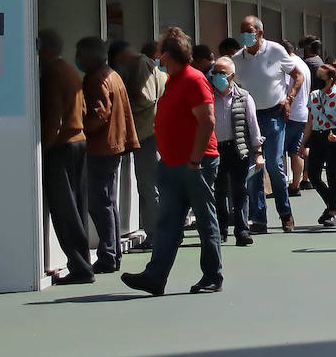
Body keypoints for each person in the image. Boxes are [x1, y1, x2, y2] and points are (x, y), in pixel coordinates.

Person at [122, 27, 222, 295]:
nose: (156, 56)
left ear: (167, 54)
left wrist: (195, 159)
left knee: (204, 220)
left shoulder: (194, 80)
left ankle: (212, 276)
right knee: (167, 222)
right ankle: (155, 276)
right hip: (173, 165)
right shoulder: (172, 80)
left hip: (195, 165)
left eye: (159, 51)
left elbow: (207, 120)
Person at [232, 16, 302, 234]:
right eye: (242, 31)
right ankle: (259, 218)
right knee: (254, 168)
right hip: (248, 117)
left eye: (249, 31)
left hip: (273, 114)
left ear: (260, 33)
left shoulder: (276, 51)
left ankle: (285, 213)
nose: (245, 35)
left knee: (273, 164)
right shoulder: (237, 59)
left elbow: (297, 75)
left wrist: (289, 99)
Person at [78, 36, 139, 275]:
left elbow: (100, 113)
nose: (79, 60)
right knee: (108, 201)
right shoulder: (113, 75)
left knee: (100, 202)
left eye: (81, 54)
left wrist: (79, 128)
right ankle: (112, 251)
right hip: (114, 145)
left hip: (101, 147)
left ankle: (108, 253)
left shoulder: (97, 79)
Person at [38, 29, 94, 284]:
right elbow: (80, 108)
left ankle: (80, 267)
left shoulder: (51, 73)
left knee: (64, 209)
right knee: (77, 205)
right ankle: (83, 262)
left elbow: (54, 117)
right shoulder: (71, 71)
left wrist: (43, 149)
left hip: (60, 145)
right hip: (79, 141)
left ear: (43, 50)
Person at [111, 40, 165, 249]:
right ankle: (159, 232)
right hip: (149, 132)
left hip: (147, 133)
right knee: (152, 185)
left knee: (149, 185)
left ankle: (156, 234)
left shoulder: (141, 65)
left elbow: (146, 97)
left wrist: (122, 106)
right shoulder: (148, 64)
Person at [209, 55, 259, 246]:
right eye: (214, 72)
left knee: (240, 190)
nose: (217, 76)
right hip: (215, 150)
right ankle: (221, 230)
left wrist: (258, 151)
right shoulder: (208, 96)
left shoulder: (244, 97)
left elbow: (253, 125)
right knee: (219, 191)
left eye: (221, 73)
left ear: (232, 75)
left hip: (238, 150)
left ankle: (242, 230)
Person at [300, 63, 336, 226]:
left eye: (321, 76)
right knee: (313, 175)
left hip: (332, 136)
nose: (318, 79)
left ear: (331, 78)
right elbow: (310, 121)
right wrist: (303, 143)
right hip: (317, 137)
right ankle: (332, 203)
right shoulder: (313, 95)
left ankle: (332, 212)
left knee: (332, 174)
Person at [279, 40, 313, 197]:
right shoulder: (303, 64)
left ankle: (280, 184)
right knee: (295, 151)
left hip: (290, 113)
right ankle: (295, 184)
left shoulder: (288, 65)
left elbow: (284, 88)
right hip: (302, 114)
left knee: (279, 151)